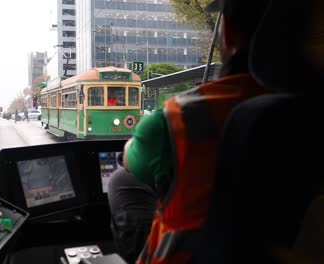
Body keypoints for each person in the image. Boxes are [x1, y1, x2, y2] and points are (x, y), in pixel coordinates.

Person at [107, 0, 272, 263]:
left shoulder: (174, 117)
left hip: (186, 257)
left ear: (227, 33)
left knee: (120, 179)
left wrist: (129, 149)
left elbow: (131, 161)